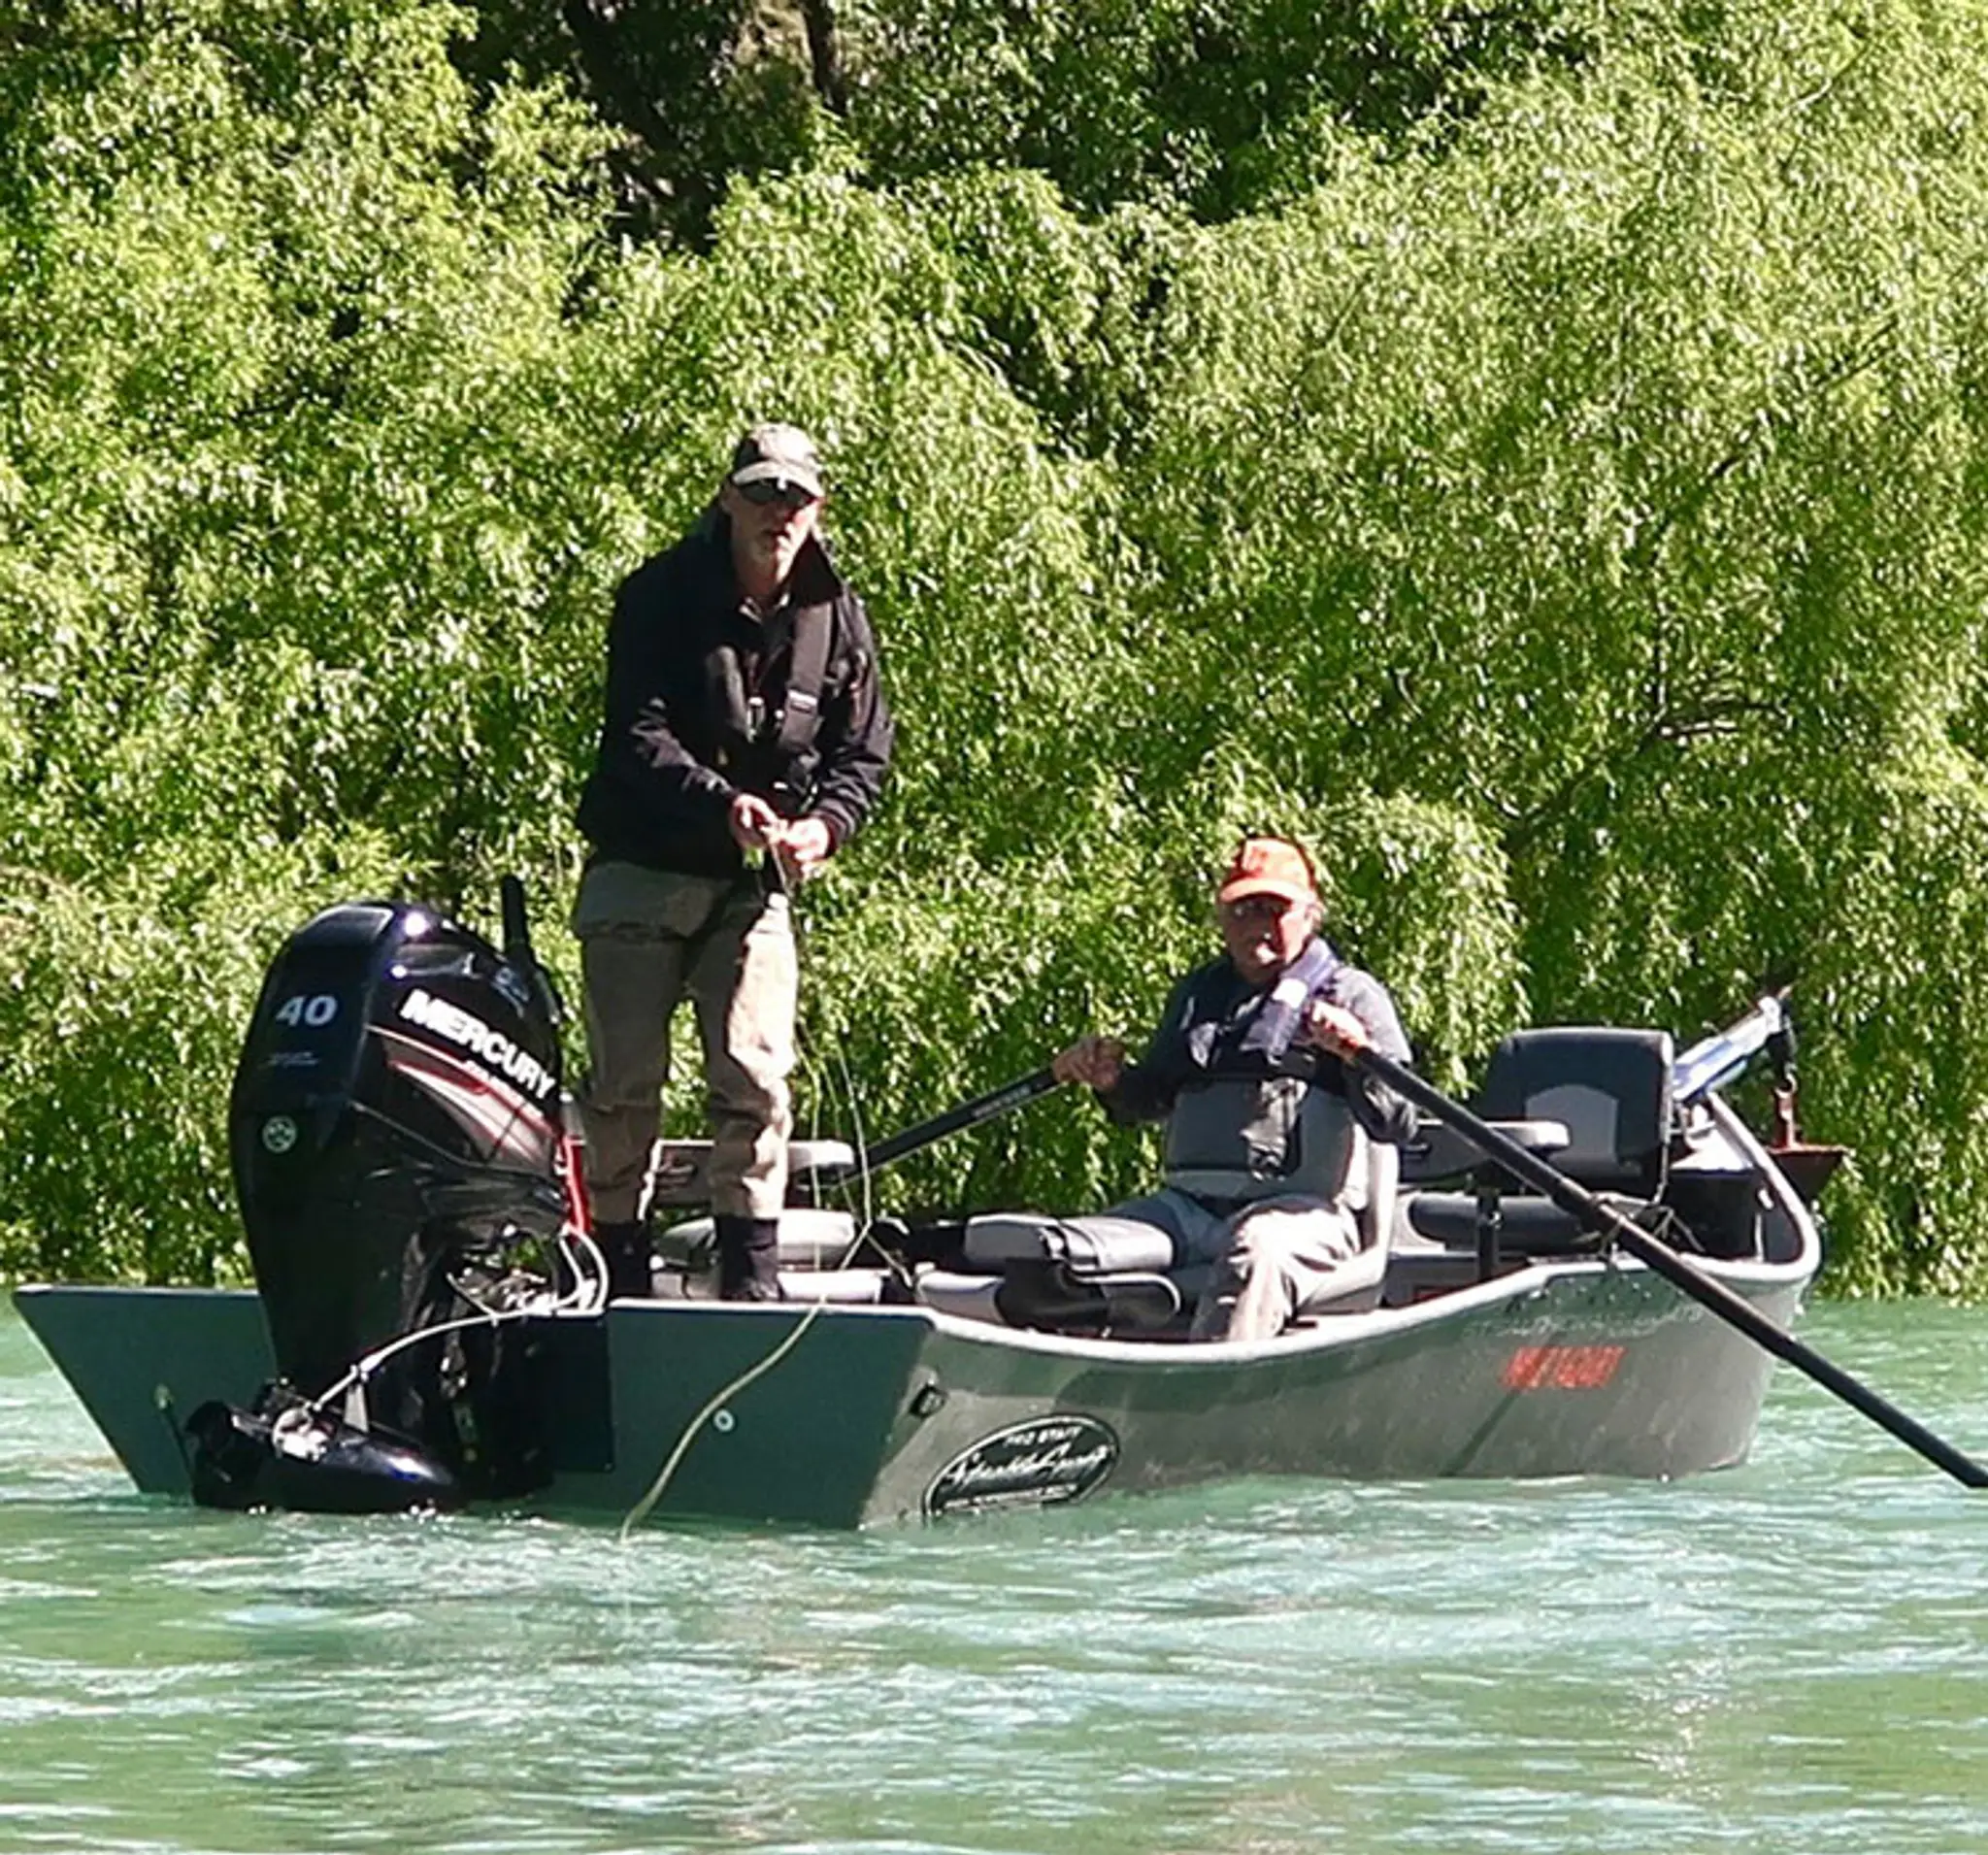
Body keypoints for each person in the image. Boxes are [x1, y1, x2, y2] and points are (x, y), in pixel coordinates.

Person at [572, 422, 893, 1301]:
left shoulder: (842, 617)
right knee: (623, 1087)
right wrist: (726, 804)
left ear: (817, 509)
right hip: (641, 869)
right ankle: (617, 1276)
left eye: (792, 498)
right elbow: (636, 736)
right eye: (759, 494)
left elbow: (864, 756)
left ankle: (749, 1284)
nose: (776, 513)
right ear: (727, 498)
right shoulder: (658, 595)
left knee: (755, 1079)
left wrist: (823, 828)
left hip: (753, 889)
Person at [1051, 834, 1415, 1342]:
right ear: (1222, 921)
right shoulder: (1199, 996)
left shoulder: (1352, 994)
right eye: (1242, 911)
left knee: (1254, 1252)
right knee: (1066, 1253)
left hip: (1301, 1213)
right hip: (1186, 1207)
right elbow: (1149, 1100)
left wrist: (1356, 1053)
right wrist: (1112, 1082)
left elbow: (1398, 1120)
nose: (1256, 925)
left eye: (1273, 909)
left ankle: (1206, 1402)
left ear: (1311, 914)